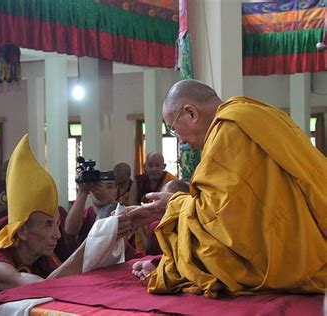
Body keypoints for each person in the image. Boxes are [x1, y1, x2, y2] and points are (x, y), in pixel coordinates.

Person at [128, 79, 326, 297]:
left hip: (295, 259)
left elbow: (221, 219)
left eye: (175, 130)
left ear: (191, 113)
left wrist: (172, 204)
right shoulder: (261, 112)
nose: (182, 141)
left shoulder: (228, 131)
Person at [0, 135, 131, 291]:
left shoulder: (43, 258)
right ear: (23, 231)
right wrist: (91, 243)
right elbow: (43, 288)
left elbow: (71, 281)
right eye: (48, 224)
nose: (57, 235)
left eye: (57, 224)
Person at [65, 179, 118, 246]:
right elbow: (70, 230)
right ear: (90, 191)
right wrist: (82, 192)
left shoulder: (126, 212)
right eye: (98, 186)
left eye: (109, 186)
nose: (102, 190)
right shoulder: (83, 214)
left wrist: (108, 201)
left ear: (116, 191)